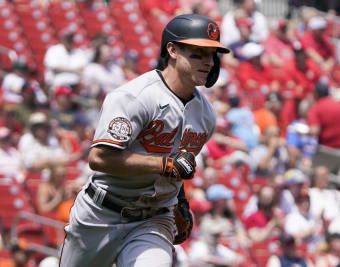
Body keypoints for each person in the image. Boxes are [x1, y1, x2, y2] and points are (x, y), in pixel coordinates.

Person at [59, 14, 230, 267]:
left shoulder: (205, 115)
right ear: (172, 50)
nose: (207, 62)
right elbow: (99, 158)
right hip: (101, 213)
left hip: (154, 219)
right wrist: (164, 164)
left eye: (211, 55)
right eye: (198, 53)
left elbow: (178, 165)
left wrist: (180, 200)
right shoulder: (135, 96)